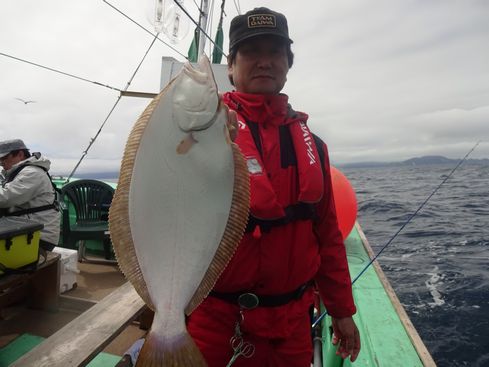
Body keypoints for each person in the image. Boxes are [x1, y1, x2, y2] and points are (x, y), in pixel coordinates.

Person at [185, 7, 361, 366]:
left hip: (292, 327)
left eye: (275, 52)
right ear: (231, 66)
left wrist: (342, 310)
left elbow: (327, 235)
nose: (265, 61)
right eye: (251, 52)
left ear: (287, 63)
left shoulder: (315, 145)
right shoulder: (200, 132)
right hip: (217, 322)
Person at [0, 139, 60, 251]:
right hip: (25, 229)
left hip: (39, 236)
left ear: (20, 154)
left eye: (4, 158)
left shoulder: (32, 173)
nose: (1, 162)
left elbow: (6, 197)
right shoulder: (20, 172)